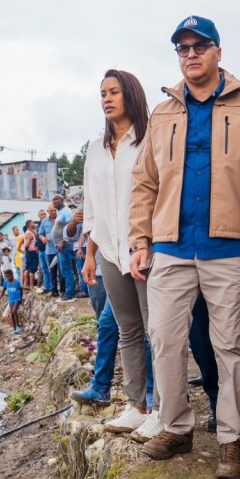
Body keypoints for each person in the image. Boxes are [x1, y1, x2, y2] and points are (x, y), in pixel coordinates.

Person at [129, 14, 240, 479]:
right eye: (183, 48)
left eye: (199, 46)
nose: (191, 55)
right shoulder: (162, 113)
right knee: (165, 339)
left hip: (229, 247)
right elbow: (144, 182)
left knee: (230, 345)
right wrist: (140, 240)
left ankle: (232, 440)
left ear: (218, 51)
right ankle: (176, 427)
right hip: (170, 246)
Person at [74, 69, 154, 434]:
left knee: (158, 330)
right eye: (102, 93)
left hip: (143, 247)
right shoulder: (94, 148)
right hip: (108, 248)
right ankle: (137, 404)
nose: (106, 99)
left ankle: (161, 407)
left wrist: (149, 241)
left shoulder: (149, 139)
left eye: (114, 92)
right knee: (127, 329)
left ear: (130, 95)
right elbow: (93, 206)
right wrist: (91, 253)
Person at [52, 194, 77, 301]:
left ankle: (69, 293)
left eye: (56, 199)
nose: (54, 201)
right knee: (64, 270)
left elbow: (70, 226)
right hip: (59, 247)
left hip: (64, 246)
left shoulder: (66, 211)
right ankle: (68, 291)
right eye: (53, 200)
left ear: (62, 200)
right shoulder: (60, 213)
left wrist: (63, 242)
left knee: (67, 270)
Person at [40, 204, 59, 296]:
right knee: (52, 270)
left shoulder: (60, 219)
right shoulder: (44, 222)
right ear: (48, 212)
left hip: (60, 249)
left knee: (62, 271)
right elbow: (40, 233)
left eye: (54, 210)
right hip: (50, 250)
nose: (53, 212)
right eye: (51, 211)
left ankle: (63, 290)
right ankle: (54, 290)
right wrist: (43, 237)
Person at [1, 268, 23, 334]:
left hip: (17, 298)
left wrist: (21, 299)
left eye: (8, 276)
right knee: (11, 313)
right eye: (6, 276)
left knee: (14, 311)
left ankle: (18, 326)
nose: (7, 278)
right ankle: (14, 328)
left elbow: (21, 290)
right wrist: (1, 295)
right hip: (11, 299)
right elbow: (4, 289)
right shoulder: (5, 282)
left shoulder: (17, 282)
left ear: (12, 275)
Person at [22, 220, 39, 291]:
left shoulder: (29, 232)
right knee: (32, 270)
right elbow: (26, 244)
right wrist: (26, 249)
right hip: (32, 253)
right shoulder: (29, 234)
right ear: (29, 225)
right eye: (32, 223)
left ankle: (26, 284)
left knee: (27, 269)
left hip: (29, 253)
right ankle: (31, 286)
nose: (34, 224)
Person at [35, 209, 48, 292]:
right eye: (41, 214)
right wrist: (36, 245)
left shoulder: (48, 223)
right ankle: (43, 285)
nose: (43, 216)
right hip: (40, 250)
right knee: (43, 268)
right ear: (38, 216)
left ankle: (48, 286)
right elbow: (37, 237)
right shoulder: (38, 226)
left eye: (44, 214)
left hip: (47, 249)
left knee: (48, 269)